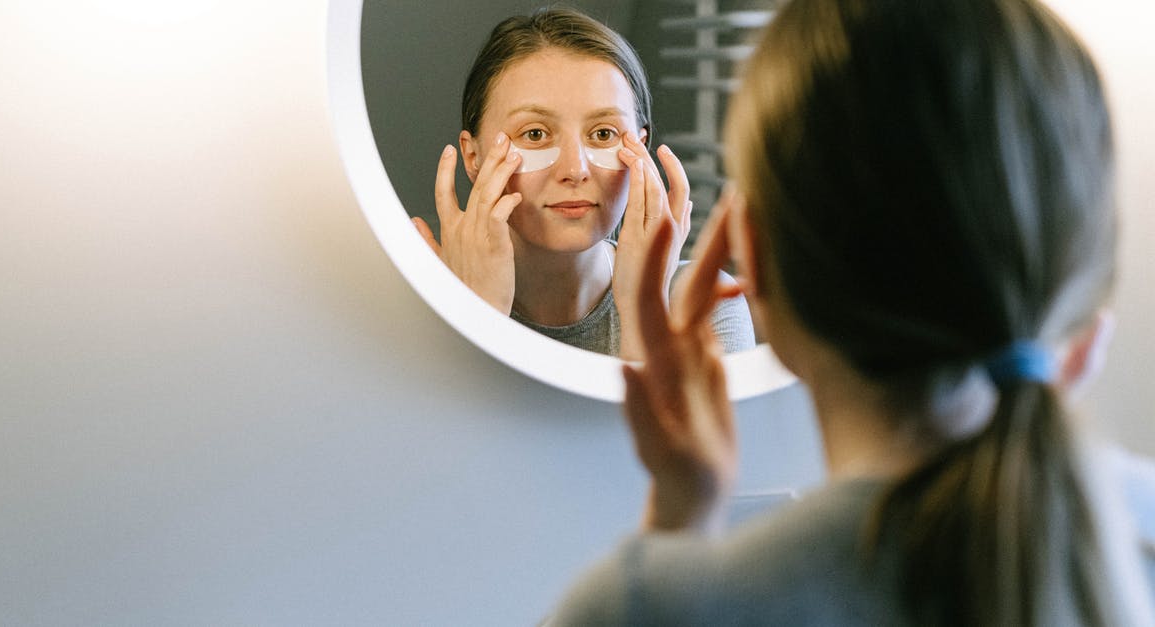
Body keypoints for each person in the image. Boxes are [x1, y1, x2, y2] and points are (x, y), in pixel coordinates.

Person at [545, 0, 1155, 625]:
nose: (572, 168)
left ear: (750, 254)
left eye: (602, 133)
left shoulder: (647, 609)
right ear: (1084, 317)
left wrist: (677, 530)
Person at [411, 8, 756, 360]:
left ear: (641, 147)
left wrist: (643, 313)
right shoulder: (416, 306)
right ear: (473, 157)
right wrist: (475, 320)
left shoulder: (707, 307)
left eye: (603, 134)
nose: (575, 170)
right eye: (535, 134)